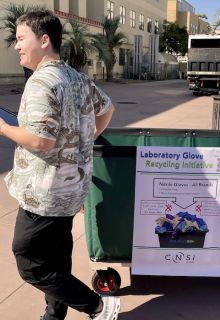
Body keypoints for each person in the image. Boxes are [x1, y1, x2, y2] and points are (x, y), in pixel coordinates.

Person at [0, 10, 120, 320]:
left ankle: (97, 306)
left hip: (44, 194)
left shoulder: (41, 82)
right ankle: (54, 315)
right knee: (56, 257)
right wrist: (88, 137)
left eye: (21, 37)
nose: (16, 45)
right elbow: (107, 108)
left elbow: (41, 141)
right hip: (70, 189)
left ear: (44, 40)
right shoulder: (75, 76)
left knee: (29, 262)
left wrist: (2, 127)